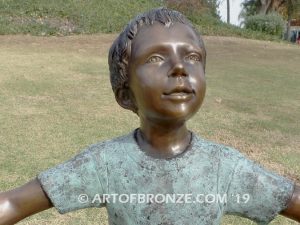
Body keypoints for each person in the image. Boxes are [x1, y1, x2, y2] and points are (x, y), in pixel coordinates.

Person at [0, 7, 299, 225]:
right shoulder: (106, 164)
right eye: (156, 58)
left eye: (192, 57)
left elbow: (291, 199)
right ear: (125, 93)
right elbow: (13, 202)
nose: (180, 68)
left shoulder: (226, 168)